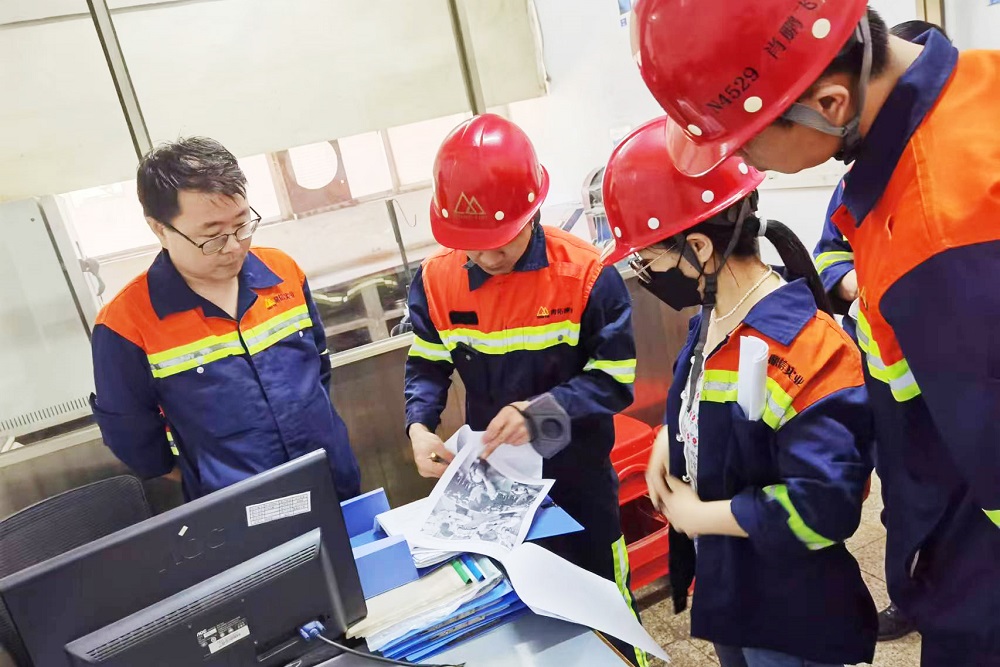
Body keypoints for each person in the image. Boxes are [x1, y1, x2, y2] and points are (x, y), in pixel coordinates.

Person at [633, 3, 1000, 663]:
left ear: (830, 104)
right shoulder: (964, 102)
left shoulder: (941, 232)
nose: (742, 163)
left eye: (744, 142)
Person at [602, 116, 877, 667]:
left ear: (699, 247)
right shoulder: (714, 318)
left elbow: (825, 508)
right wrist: (670, 437)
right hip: (731, 587)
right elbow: (708, 404)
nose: (644, 273)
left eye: (647, 260)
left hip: (789, 615)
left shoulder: (810, 352)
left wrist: (700, 517)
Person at [403, 114, 646, 666]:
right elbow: (428, 363)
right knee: (524, 621)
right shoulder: (437, 281)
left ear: (533, 209)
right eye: (474, 245)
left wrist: (541, 413)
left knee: (605, 611)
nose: (490, 257)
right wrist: (419, 425)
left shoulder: (587, 275)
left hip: (578, 483)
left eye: (502, 240)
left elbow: (614, 382)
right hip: (496, 489)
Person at [90, 137, 361, 501]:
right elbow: (133, 438)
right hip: (241, 509)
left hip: (332, 479)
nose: (234, 247)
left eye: (242, 224)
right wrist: (207, 475)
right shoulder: (126, 324)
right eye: (212, 236)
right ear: (160, 229)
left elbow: (319, 369)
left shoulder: (282, 272)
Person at [811, 18, 952, 644]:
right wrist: (855, 282)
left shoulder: (955, 165)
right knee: (903, 496)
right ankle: (907, 596)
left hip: (954, 379)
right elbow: (827, 253)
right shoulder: (855, 181)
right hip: (889, 382)